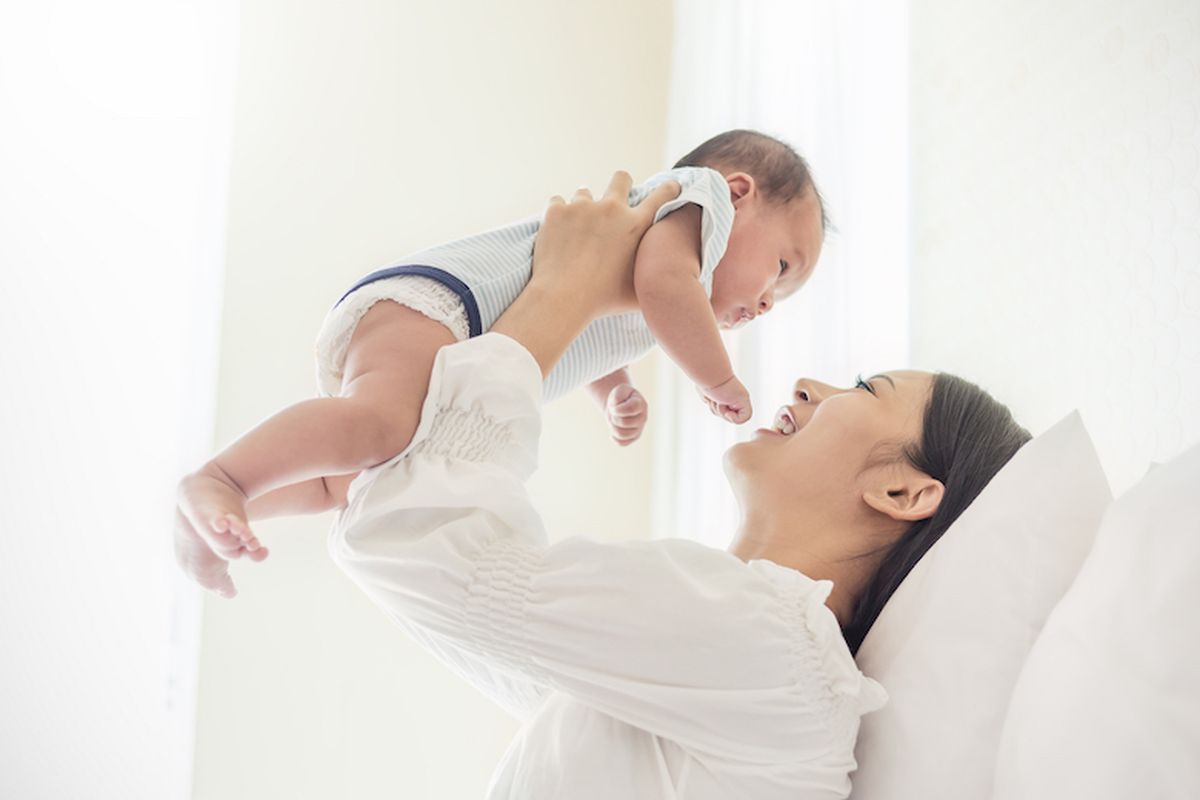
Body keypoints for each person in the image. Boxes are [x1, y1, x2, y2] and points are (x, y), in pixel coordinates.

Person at [183, 172, 1027, 798]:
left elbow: (426, 554)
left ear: (906, 493)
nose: (809, 385)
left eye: (865, 392)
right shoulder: (754, 661)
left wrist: (562, 289)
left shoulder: (771, 647)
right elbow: (445, 578)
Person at [175, 130, 827, 593]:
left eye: (782, 298)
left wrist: (612, 390)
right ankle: (223, 478)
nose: (768, 302)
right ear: (739, 193)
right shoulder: (697, 199)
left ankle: (224, 520)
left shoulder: (665, 295)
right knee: (377, 426)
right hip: (441, 307)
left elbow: (583, 311)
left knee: (348, 479)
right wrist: (718, 378)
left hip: (445, 346)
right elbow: (660, 285)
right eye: (779, 268)